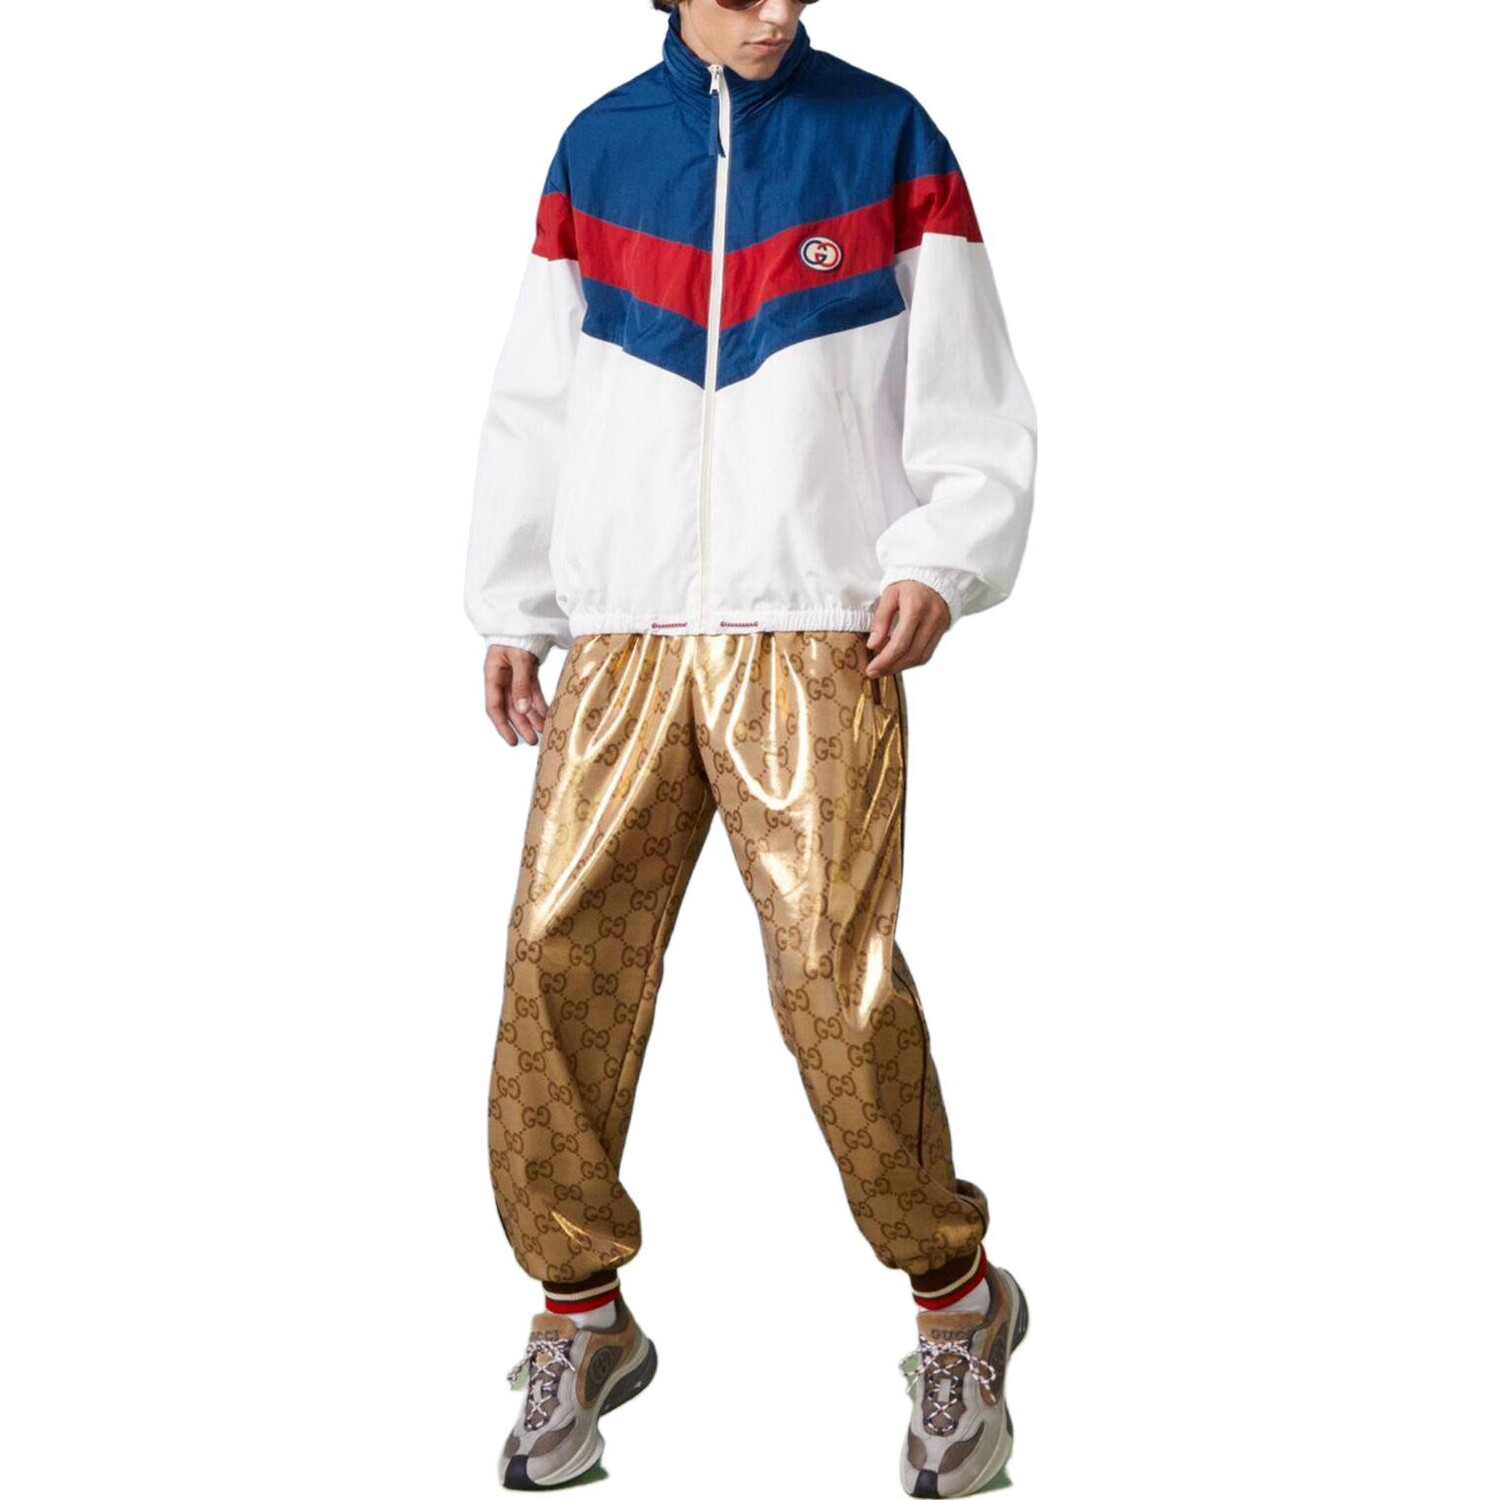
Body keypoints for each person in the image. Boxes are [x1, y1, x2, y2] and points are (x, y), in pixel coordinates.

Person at [464, 1, 1037, 1492]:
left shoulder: (888, 138)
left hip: (817, 630)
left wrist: (943, 555)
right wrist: (516, 604)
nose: (778, 11)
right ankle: (580, 1312)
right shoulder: (600, 150)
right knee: (555, 956)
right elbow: (539, 396)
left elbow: (969, 387)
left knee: (835, 987)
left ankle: (959, 1299)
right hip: (626, 636)